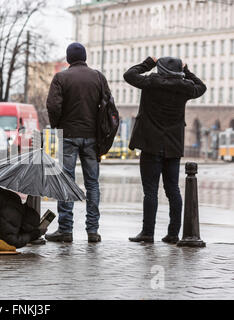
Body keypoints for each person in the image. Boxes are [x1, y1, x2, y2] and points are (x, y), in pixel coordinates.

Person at [124, 56, 206, 244]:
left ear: (160, 68)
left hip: (150, 144)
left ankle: (147, 233)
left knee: (150, 191)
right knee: (173, 190)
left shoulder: (150, 82)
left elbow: (129, 74)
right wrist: (187, 70)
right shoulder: (184, 87)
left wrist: (148, 63)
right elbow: (202, 87)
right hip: (173, 146)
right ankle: (173, 234)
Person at [45, 42, 111, 243]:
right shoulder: (98, 77)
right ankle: (93, 230)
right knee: (92, 183)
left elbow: (53, 105)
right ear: (85, 57)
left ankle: (65, 229)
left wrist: (58, 125)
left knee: (66, 180)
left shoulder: (61, 78)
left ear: (68, 59)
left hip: (69, 135)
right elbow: (108, 105)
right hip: (92, 136)